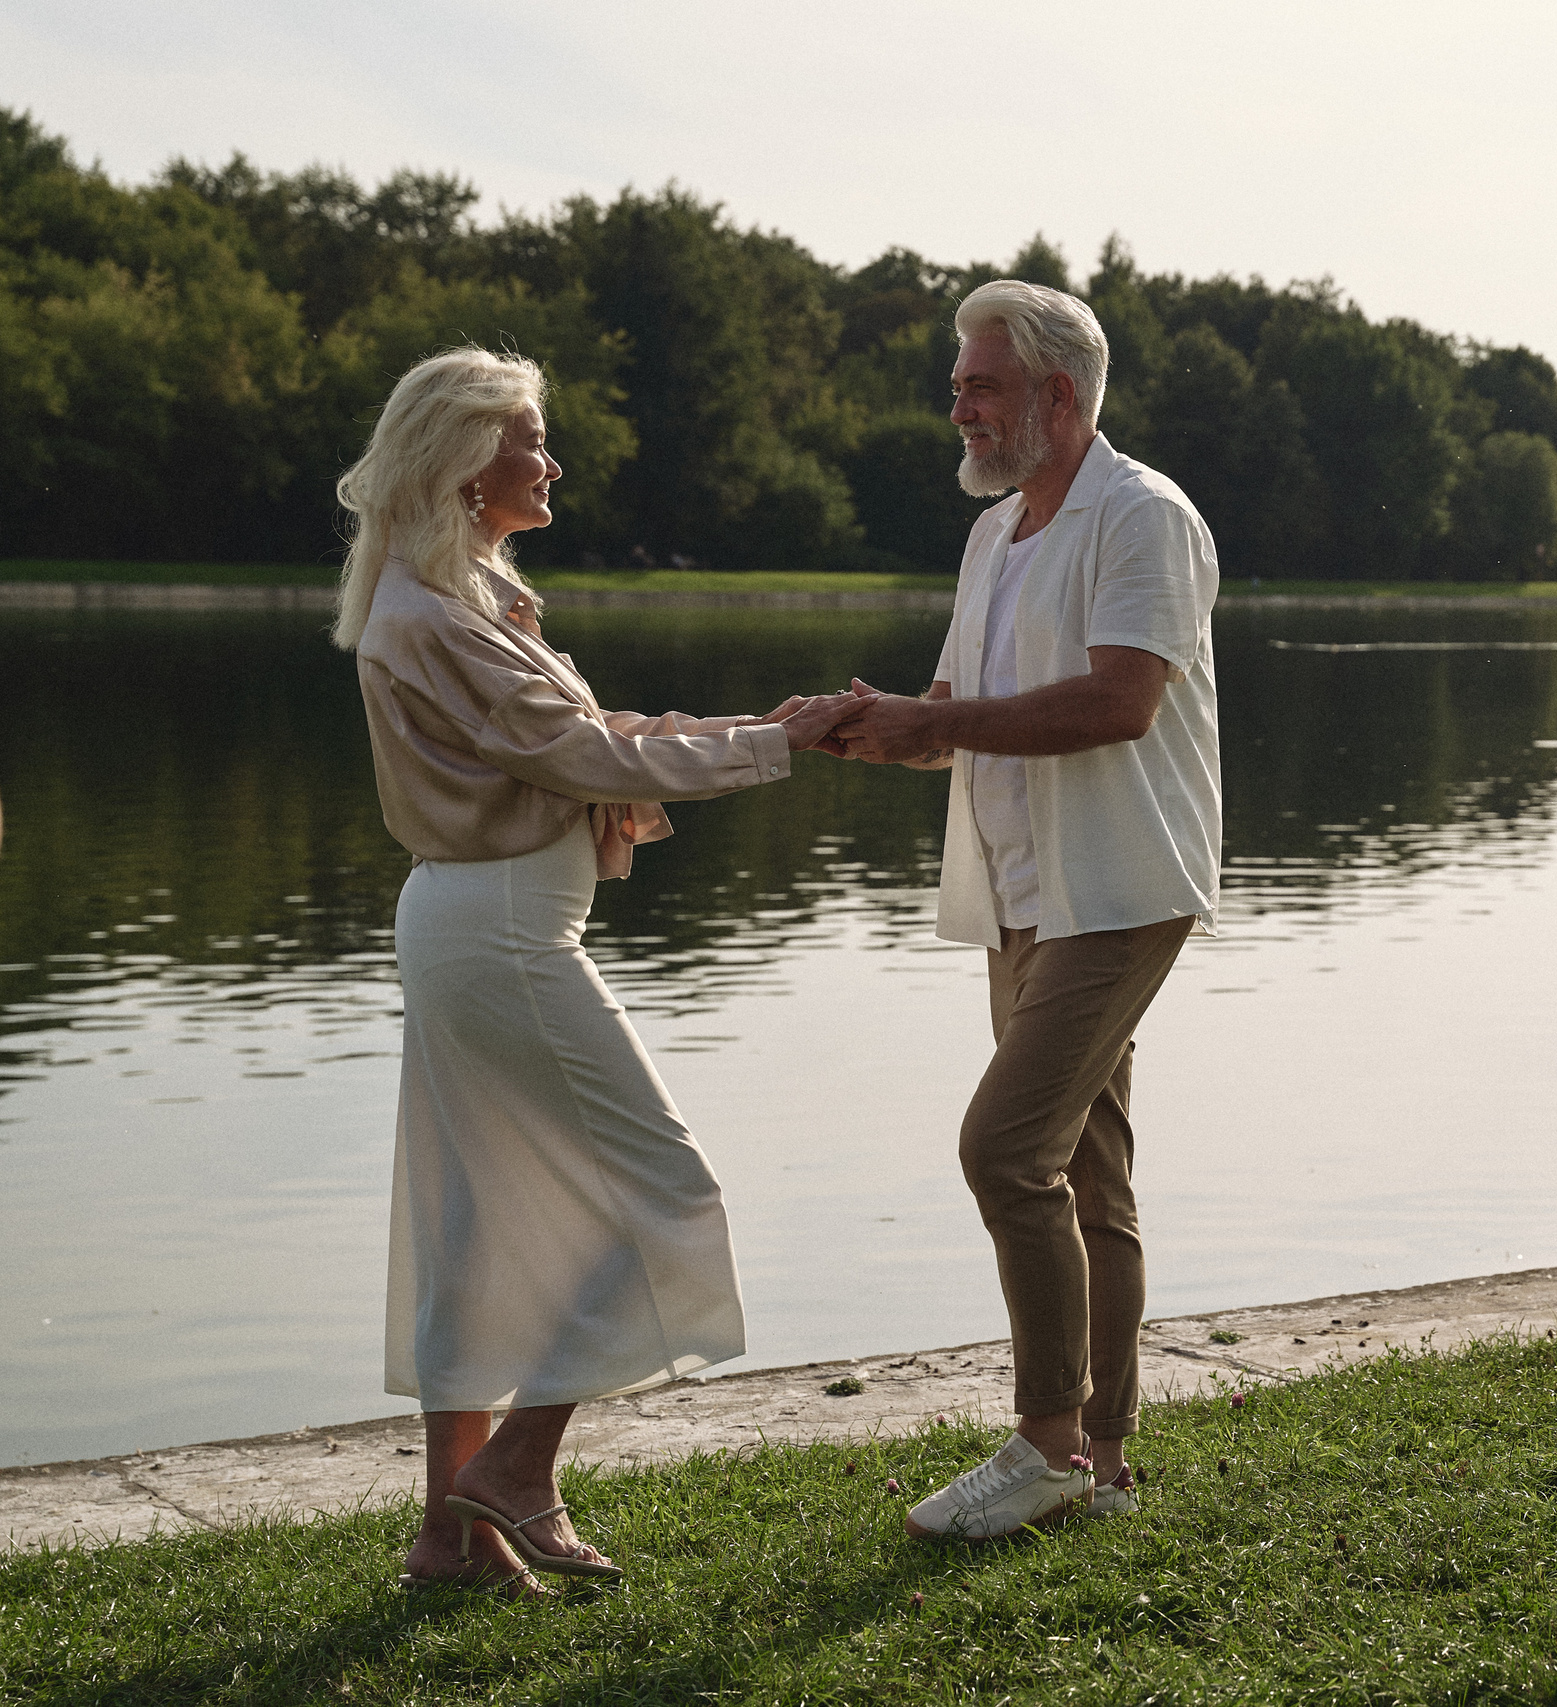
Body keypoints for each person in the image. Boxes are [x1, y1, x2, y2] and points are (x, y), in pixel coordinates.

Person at [334, 347, 863, 1594]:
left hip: (479, 927)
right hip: (504, 937)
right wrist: (772, 748)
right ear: (467, 461)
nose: (552, 462)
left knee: (472, 1227)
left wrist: (766, 733)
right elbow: (585, 759)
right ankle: (517, 1469)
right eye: (531, 440)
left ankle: (449, 1541)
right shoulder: (436, 615)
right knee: (667, 1190)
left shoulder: (456, 595)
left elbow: (591, 735)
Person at [835, 280, 1221, 1540]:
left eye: (979, 386)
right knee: (1088, 1175)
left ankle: (1045, 1443)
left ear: (1057, 395)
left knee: (1006, 1151)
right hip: (1018, 890)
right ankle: (1102, 1464)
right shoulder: (994, 533)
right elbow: (959, 716)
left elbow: (1119, 704)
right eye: (958, 386)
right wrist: (870, 726)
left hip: (1119, 884)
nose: (957, 408)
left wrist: (933, 720)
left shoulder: (1142, 515)